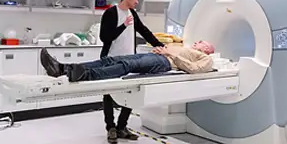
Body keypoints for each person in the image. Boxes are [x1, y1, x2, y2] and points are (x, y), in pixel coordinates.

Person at [99, 0, 164, 144]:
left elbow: (144, 31)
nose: (137, 2)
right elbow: (104, 38)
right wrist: (123, 26)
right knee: (108, 94)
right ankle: (111, 128)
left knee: (131, 94)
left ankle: (122, 126)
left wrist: (160, 46)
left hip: (130, 60)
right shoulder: (110, 13)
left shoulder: (132, 14)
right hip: (111, 59)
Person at [39, 40, 216, 82]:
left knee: (126, 66)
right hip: (158, 56)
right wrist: (162, 49)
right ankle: (61, 68)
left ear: (208, 49)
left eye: (201, 42)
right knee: (110, 60)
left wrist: (171, 54)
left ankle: (83, 74)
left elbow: (194, 69)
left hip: (166, 63)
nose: (196, 42)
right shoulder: (185, 46)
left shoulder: (206, 58)